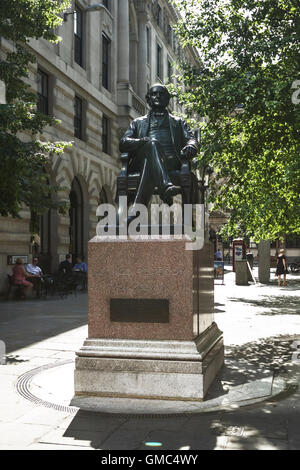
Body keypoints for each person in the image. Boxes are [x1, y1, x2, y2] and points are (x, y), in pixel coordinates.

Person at [119, 84, 198, 215]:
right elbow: (123, 142)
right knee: (152, 144)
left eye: (161, 94)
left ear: (167, 99)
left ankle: (136, 213)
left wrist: (191, 146)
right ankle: (165, 186)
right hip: (142, 159)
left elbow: (192, 139)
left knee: (150, 160)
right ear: (148, 99)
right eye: (154, 94)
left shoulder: (178, 122)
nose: (158, 96)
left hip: (170, 161)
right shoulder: (138, 122)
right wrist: (140, 142)